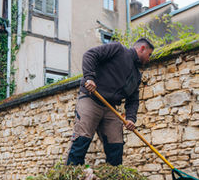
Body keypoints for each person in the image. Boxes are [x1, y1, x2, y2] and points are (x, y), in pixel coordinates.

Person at [66, 38, 154, 166]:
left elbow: (133, 100)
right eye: (149, 54)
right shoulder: (118, 49)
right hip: (91, 98)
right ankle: (70, 178)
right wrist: (90, 78)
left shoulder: (136, 75)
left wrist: (130, 118)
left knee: (116, 145)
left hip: (110, 108)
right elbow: (90, 55)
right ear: (142, 49)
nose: (149, 58)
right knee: (82, 138)